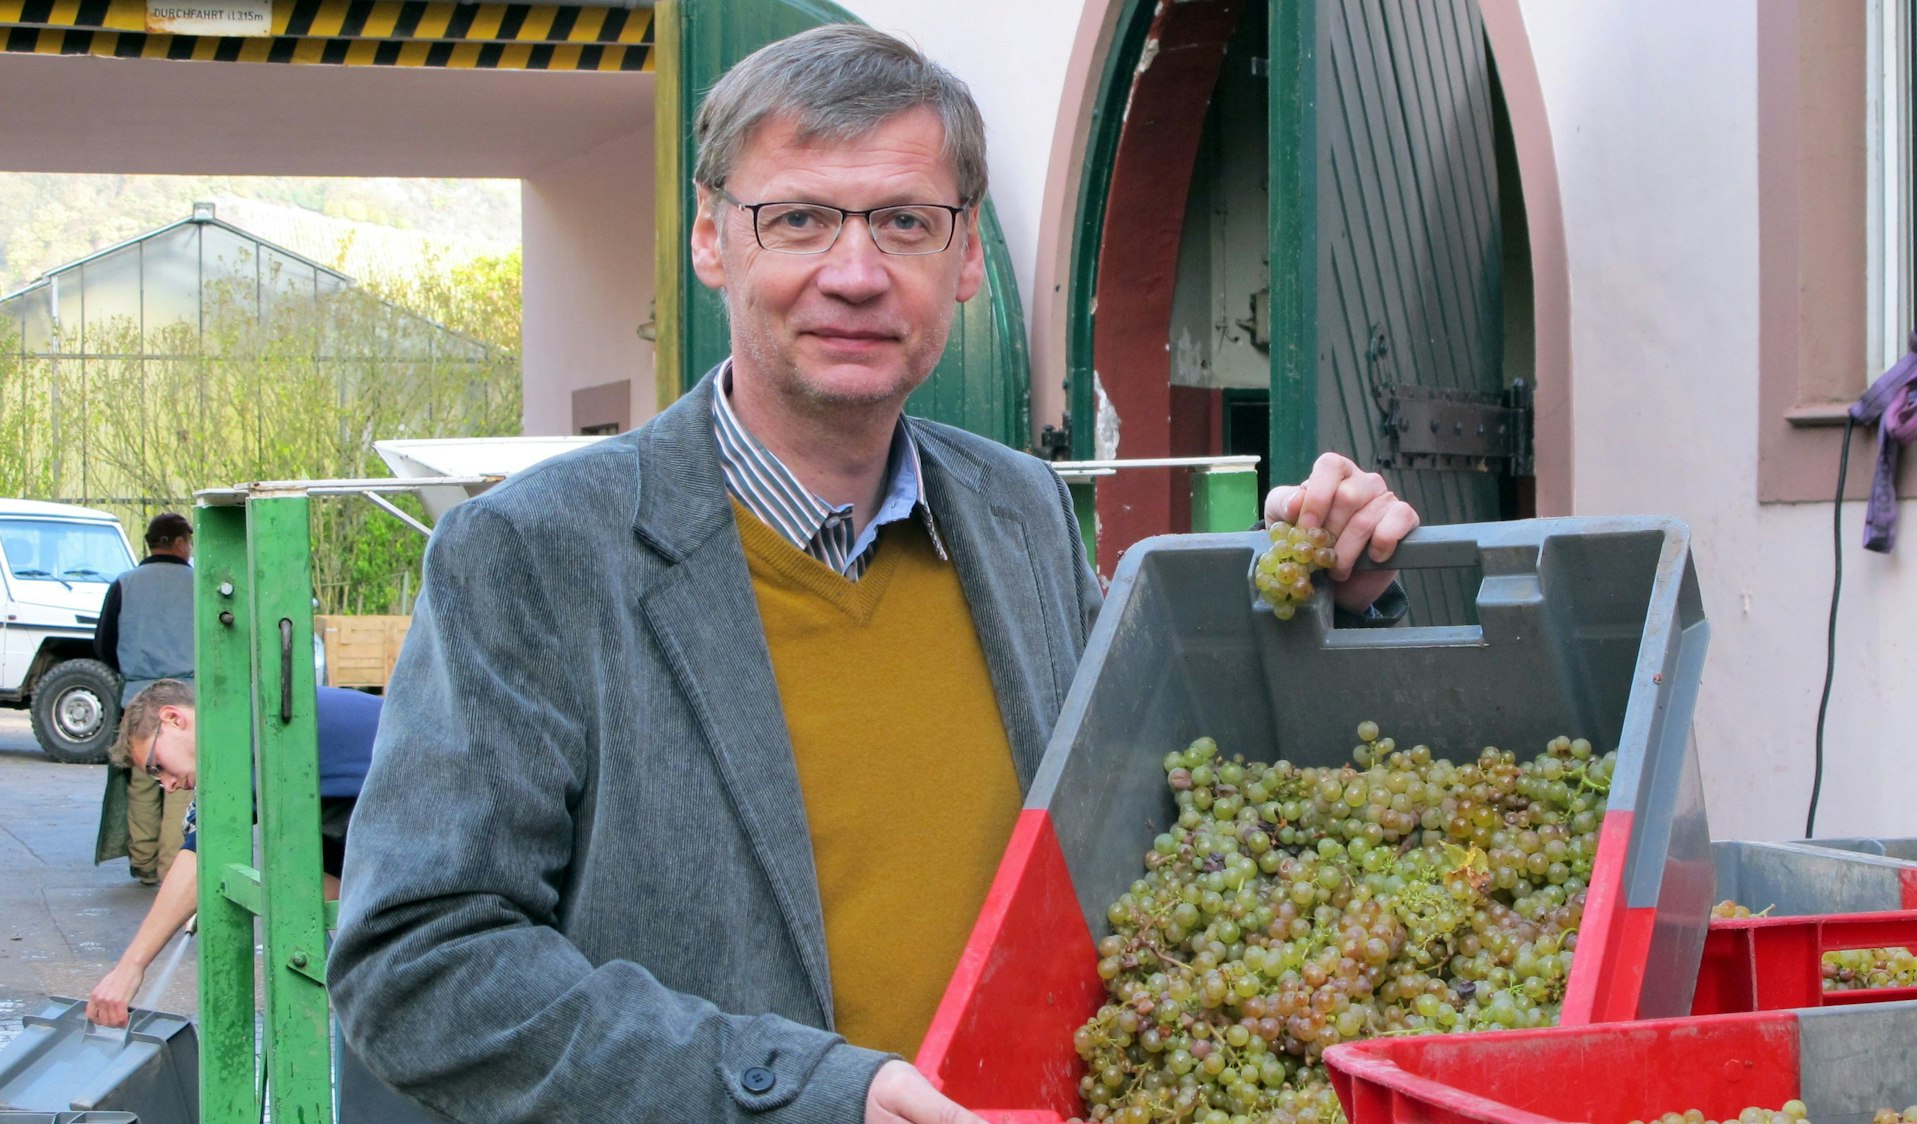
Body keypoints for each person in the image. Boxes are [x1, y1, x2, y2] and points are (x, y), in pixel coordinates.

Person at [327, 24, 1420, 1124]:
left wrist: (1336, 605)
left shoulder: (1022, 513)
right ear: (712, 238)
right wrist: (803, 1094)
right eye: (799, 218)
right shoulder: (533, 556)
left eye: (905, 221)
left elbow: (1168, 789)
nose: (855, 275)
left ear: (967, 256)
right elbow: (417, 963)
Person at [86, 678, 382, 1028]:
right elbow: (330, 881)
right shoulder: (257, 719)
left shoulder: (247, 729)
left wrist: (129, 968)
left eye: (157, 766)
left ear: (173, 719)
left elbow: (203, 853)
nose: (167, 785)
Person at [93, 511, 195, 886]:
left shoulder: (124, 583)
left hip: (136, 697)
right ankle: (171, 867)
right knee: (180, 785)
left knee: (143, 780)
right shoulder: (200, 583)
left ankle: (144, 862)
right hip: (187, 700)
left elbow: (104, 644)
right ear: (180, 542)